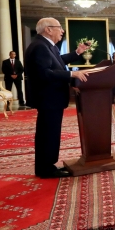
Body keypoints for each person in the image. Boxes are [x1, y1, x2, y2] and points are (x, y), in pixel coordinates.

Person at [26, 17, 90, 179]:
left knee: (50, 133)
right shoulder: (40, 46)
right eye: (59, 27)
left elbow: (58, 61)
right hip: (48, 98)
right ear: (48, 29)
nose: (62, 31)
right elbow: (44, 73)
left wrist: (77, 53)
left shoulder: (46, 45)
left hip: (51, 98)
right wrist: (72, 74)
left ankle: (47, 165)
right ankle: (46, 169)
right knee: (48, 134)